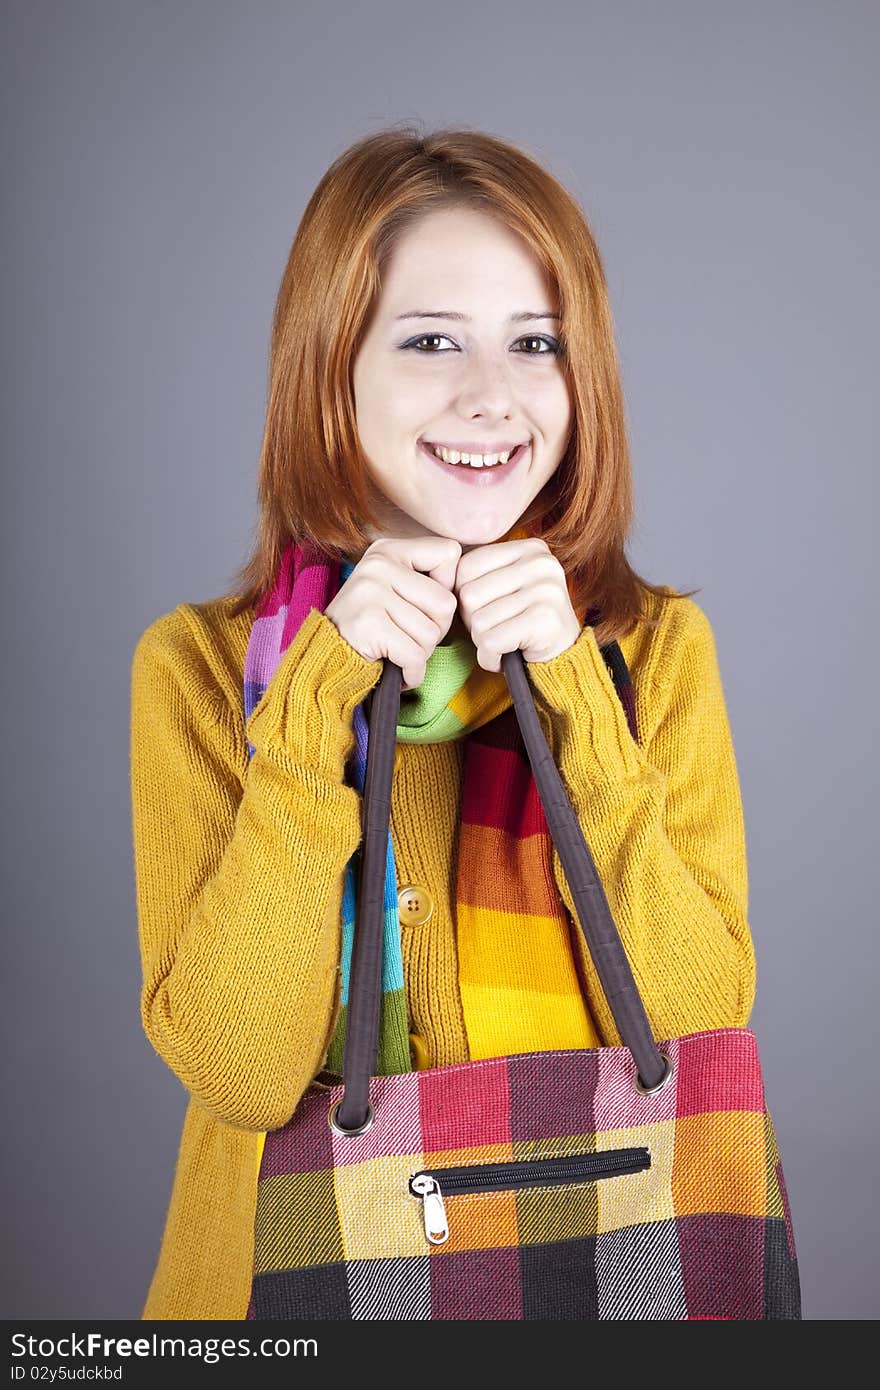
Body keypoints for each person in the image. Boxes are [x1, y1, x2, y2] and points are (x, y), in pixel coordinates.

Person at [129, 126, 756, 1320]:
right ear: (331, 368)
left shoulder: (650, 653)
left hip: (597, 1277)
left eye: (535, 343)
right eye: (429, 342)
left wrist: (574, 687)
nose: (493, 396)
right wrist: (317, 701)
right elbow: (242, 1070)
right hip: (281, 1299)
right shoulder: (205, 671)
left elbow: (697, 1018)